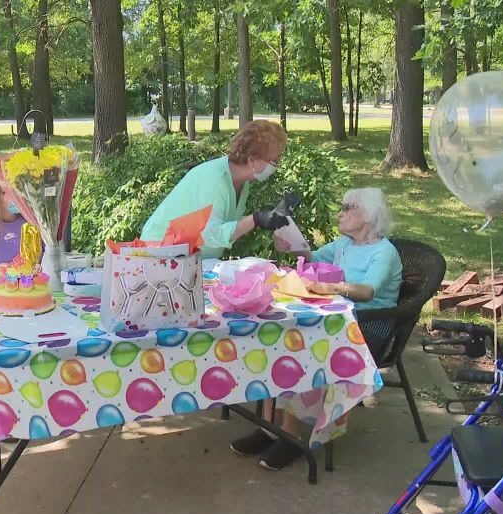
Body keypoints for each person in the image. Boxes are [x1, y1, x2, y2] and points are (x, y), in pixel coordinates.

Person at [230, 187, 403, 470]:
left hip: (366, 331)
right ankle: (268, 427)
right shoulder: (345, 245)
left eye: (349, 207)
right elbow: (312, 258)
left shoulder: (384, 253)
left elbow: (368, 291)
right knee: (278, 342)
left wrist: (330, 287)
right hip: (335, 324)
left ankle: (290, 436)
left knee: (303, 352)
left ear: (369, 216)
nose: (341, 212)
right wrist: (292, 245)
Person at [140, 120, 296, 258]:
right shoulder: (213, 178)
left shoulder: (242, 183)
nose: (277, 165)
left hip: (188, 259)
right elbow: (211, 234)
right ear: (252, 159)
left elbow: (227, 230)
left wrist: (272, 225)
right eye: (274, 161)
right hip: (159, 254)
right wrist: (256, 219)